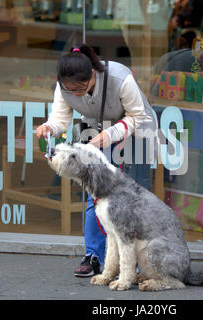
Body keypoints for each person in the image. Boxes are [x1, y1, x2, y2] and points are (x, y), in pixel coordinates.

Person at [36, 44, 158, 277]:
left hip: (135, 129)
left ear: (92, 74)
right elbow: (60, 118)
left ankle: (143, 261)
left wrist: (111, 135)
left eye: (81, 88)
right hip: (95, 129)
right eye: (70, 89)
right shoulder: (65, 87)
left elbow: (138, 115)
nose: (76, 93)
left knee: (135, 197)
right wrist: (48, 127)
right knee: (97, 194)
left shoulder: (120, 77)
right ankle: (94, 256)